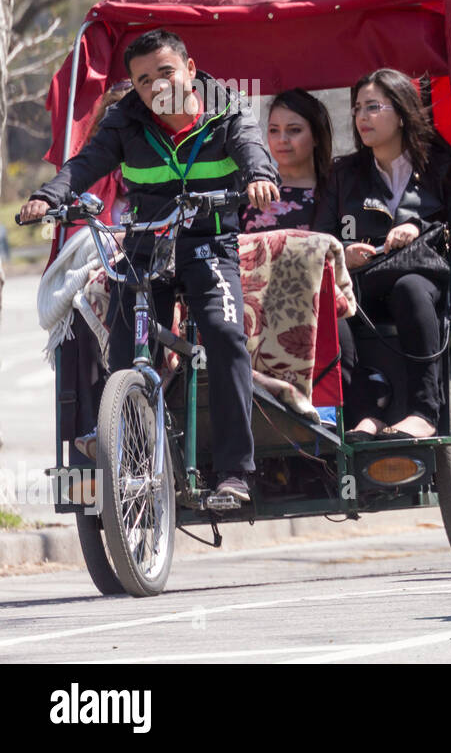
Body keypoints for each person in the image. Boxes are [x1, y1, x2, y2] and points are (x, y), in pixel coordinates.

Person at [21, 29, 280, 502]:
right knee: (127, 345)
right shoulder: (124, 121)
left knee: (224, 336)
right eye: (144, 80)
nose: (157, 87)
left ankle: (235, 473)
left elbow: (252, 151)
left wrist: (260, 176)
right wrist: (47, 196)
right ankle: (129, 445)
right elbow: (84, 165)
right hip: (147, 246)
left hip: (207, 242)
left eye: (166, 73)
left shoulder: (229, 109)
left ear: (190, 70)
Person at [313, 68, 451, 441]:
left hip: (422, 278)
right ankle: (364, 415)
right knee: (333, 304)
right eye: (357, 108)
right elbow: (318, 236)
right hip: (361, 282)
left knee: (409, 288)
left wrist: (418, 228)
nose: (362, 117)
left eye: (373, 107)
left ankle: (424, 412)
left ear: (402, 112)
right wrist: (344, 251)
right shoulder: (344, 174)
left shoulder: (441, 164)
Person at [241, 88, 333, 233]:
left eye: (294, 130)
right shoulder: (252, 186)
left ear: (316, 136)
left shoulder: (337, 190)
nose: (282, 140)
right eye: (274, 130)